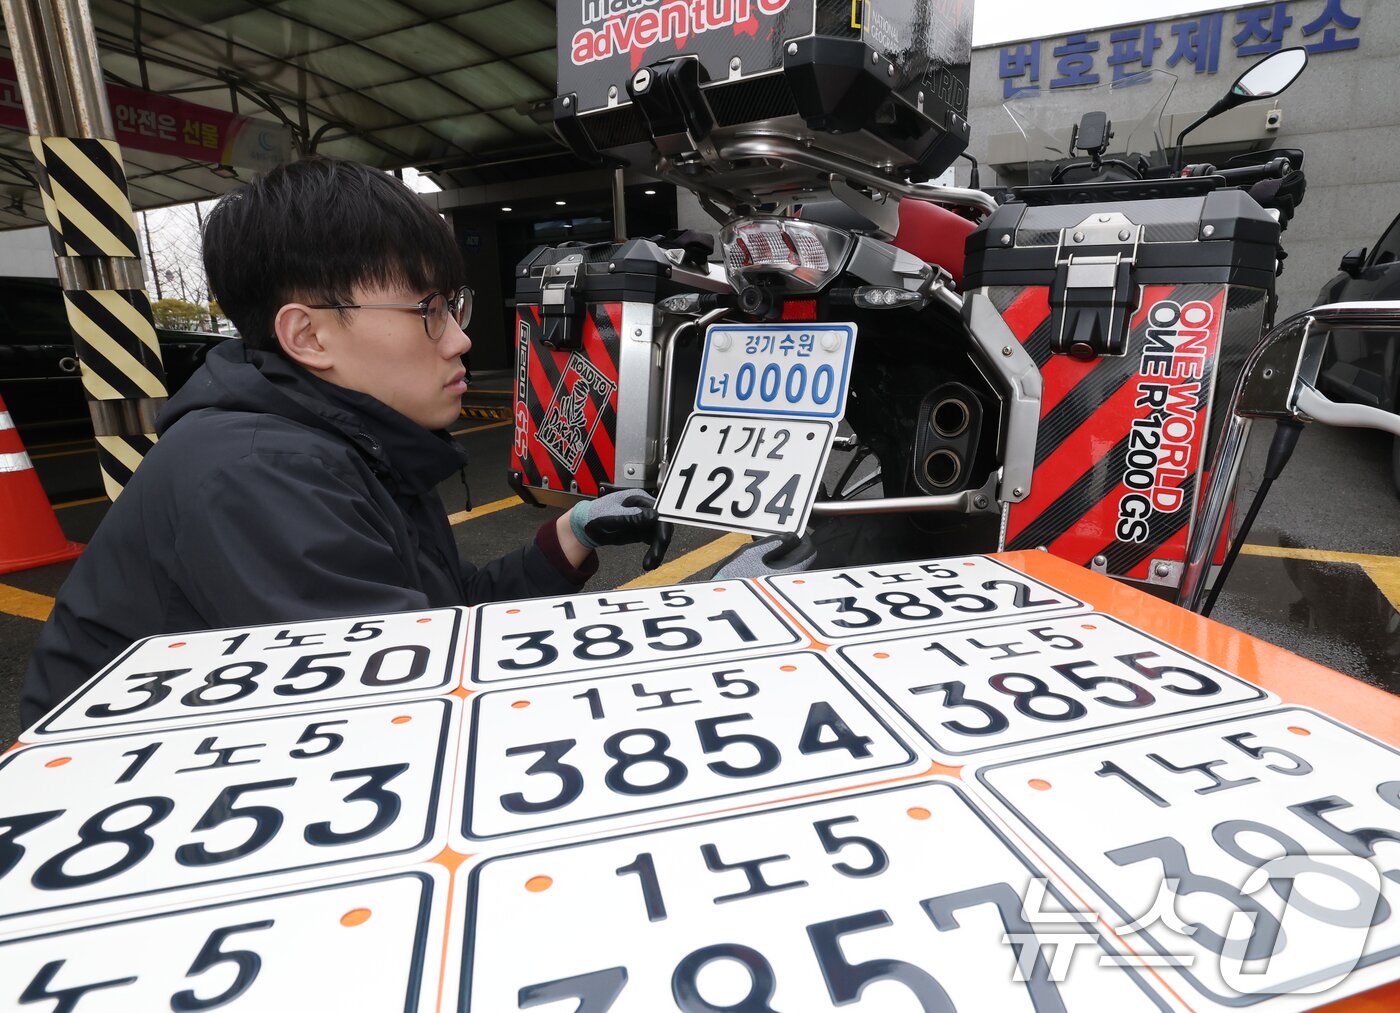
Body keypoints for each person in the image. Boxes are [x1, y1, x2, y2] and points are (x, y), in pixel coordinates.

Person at [20, 156, 666, 727]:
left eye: (453, 305)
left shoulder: (343, 439)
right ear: (308, 336)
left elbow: (444, 615)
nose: (460, 338)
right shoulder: (257, 472)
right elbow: (402, 699)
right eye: (428, 311)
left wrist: (573, 534)